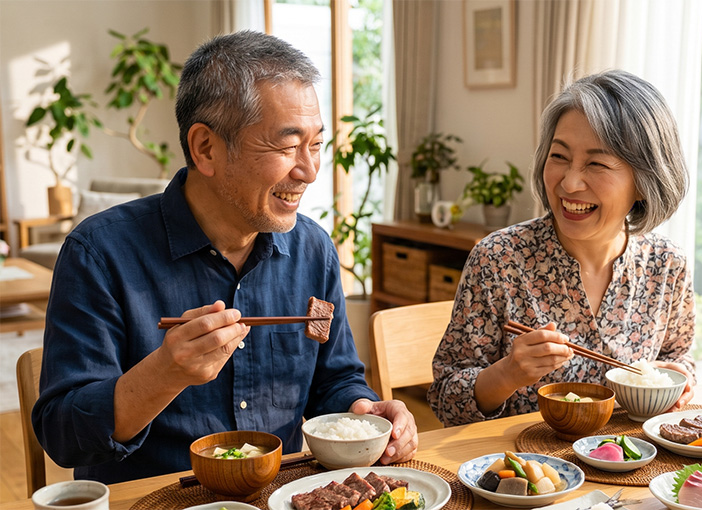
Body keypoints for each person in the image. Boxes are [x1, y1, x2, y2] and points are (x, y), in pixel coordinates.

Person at [33, 31, 417, 484]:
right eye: (286, 145)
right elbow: (62, 435)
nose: (310, 171)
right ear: (206, 148)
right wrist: (164, 374)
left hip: (279, 491)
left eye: (315, 144)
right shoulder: (99, 253)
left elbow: (334, 380)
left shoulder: (312, 249)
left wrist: (362, 410)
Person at [427, 70, 696, 426]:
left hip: (630, 466)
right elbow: (445, 399)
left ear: (645, 182)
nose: (568, 183)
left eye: (596, 164)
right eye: (559, 156)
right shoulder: (499, 259)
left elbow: (680, 356)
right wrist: (506, 374)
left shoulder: (666, 265)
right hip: (525, 472)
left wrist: (678, 378)